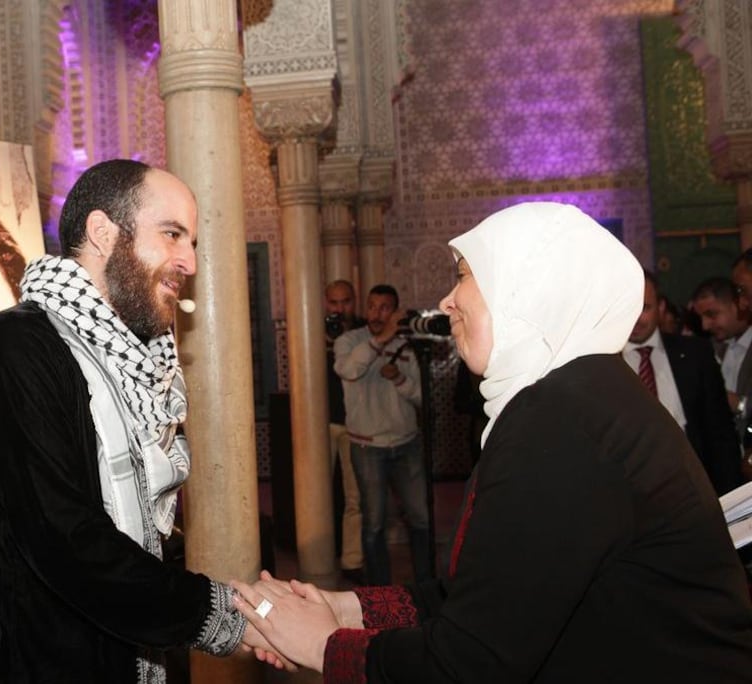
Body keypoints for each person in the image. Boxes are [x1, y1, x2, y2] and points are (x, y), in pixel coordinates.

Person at [231, 202, 752, 682]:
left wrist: (324, 645)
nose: (447, 301)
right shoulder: (581, 395)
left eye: (463, 277)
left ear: (527, 291)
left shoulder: (562, 421)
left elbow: (472, 662)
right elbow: (483, 594)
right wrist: (344, 610)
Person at [0, 159, 261, 682]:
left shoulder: (133, 356)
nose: (190, 262)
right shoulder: (15, 348)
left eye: (193, 242)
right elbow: (65, 539)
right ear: (102, 232)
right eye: (172, 234)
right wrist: (226, 615)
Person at [333, 284, 430, 586]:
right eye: (372, 306)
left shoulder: (407, 345)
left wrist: (399, 378)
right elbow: (348, 370)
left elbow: (421, 397)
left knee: (421, 519)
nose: (377, 313)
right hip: (367, 447)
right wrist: (381, 340)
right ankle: (380, 592)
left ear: (395, 311)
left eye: (385, 307)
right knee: (373, 523)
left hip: (406, 444)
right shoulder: (350, 341)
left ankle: (425, 586)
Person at [625, 271, 743, 495]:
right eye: (628, 310)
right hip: (634, 494)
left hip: (695, 489)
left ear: (661, 308)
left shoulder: (695, 354)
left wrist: (729, 496)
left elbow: (719, 433)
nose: (636, 319)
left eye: (645, 308)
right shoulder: (606, 364)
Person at [324, 280, 367, 585]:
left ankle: (352, 560)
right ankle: (321, 556)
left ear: (355, 301)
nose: (340, 308)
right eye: (334, 302)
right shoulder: (314, 332)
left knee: (355, 496)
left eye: (346, 301)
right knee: (317, 496)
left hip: (356, 424)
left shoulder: (365, 333)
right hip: (321, 424)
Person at [692, 277, 752, 412]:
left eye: (711, 314)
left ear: (737, 304)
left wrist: (740, 405)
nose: (705, 326)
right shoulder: (710, 348)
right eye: (701, 317)